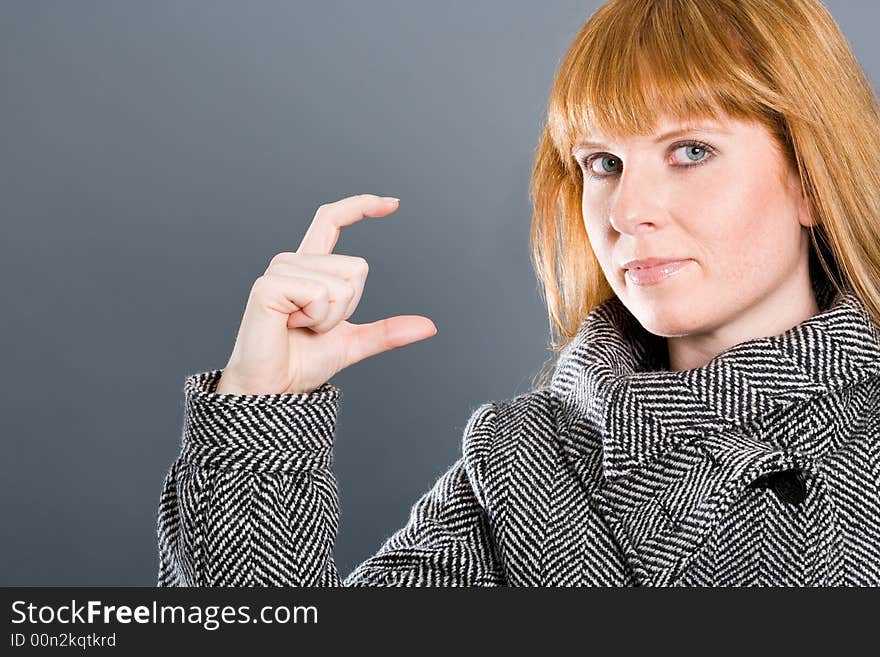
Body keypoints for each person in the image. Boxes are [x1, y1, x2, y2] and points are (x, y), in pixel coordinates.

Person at [157, 0, 880, 586]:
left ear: (809, 178)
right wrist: (260, 410)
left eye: (691, 151)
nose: (628, 211)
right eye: (603, 162)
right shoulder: (525, 462)